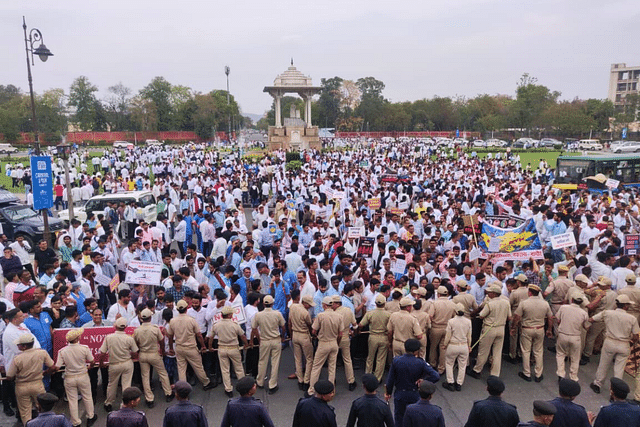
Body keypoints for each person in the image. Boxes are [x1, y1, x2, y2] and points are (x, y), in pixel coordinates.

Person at [590, 294, 640, 394]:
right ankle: (615, 391)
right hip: (624, 344)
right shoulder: (632, 318)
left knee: (603, 364)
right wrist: (632, 342)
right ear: (625, 306)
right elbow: (636, 336)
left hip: (609, 341)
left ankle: (597, 384)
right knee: (619, 369)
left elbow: (592, 319)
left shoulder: (607, 313)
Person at [385, 338, 440, 427]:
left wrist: (388, 392)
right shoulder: (420, 362)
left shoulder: (396, 361)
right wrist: (424, 381)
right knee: (415, 419)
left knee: (399, 418)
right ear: (416, 351)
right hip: (414, 393)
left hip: (400, 393)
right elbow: (436, 376)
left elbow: (390, 379)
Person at [6, 333, 56, 426]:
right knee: (42, 409)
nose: (17, 346)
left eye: (19, 344)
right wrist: (46, 372)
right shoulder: (42, 353)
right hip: (38, 384)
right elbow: (53, 367)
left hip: (22, 387)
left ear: (24, 346)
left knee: (25, 413)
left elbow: (9, 376)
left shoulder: (17, 358)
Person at [54, 328, 98, 427]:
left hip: (69, 377)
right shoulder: (84, 348)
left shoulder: (62, 351)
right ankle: (90, 416)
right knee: (87, 396)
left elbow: (57, 366)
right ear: (78, 338)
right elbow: (92, 361)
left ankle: (75, 422)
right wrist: (90, 367)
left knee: (72, 400)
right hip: (82, 375)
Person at [167, 299, 214, 390]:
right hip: (191, 347)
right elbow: (199, 335)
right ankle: (206, 382)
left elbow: (170, 336)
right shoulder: (191, 320)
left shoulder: (173, 321)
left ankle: (183, 388)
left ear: (177, 309)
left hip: (179, 347)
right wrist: (203, 346)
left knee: (181, 369)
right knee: (198, 367)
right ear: (186, 308)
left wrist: (171, 348)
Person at [511, 284, 553, 383]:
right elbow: (550, 317)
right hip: (540, 328)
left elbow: (517, 317)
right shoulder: (545, 304)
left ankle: (527, 373)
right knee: (538, 351)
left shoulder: (524, 303)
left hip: (527, 328)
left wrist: (513, 327)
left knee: (526, 351)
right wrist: (549, 329)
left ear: (529, 292)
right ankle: (538, 374)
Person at [133, 309, 175, 407]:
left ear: (141, 318)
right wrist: (163, 351)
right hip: (154, 353)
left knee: (145, 376)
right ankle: (168, 393)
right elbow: (161, 340)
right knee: (163, 373)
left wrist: (139, 351)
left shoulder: (137, 330)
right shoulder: (155, 329)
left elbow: (135, 344)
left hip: (143, 354)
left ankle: (149, 399)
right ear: (150, 318)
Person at [468, 284, 511, 378]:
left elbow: (482, 315)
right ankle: (495, 373)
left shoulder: (490, 303)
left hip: (489, 328)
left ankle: (477, 370)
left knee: (484, 351)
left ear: (494, 294)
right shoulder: (506, 302)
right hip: (501, 328)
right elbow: (509, 317)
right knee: (497, 352)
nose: (488, 293)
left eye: (490, 292)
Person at [99, 317, 139, 412]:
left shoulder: (109, 337)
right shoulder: (129, 338)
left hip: (114, 364)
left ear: (115, 326)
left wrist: (101, 363)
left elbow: (102, 353)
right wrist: (131, 356)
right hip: (127, 363)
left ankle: (108, 402)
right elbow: (135, 352)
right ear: (125, 327)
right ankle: (125, 404)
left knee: (112, 384)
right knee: (126, 384)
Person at [306, 296, 344, 397]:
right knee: (332, 368)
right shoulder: (339, 316)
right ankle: (331, 390)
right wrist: (337, 342)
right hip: (334, 343)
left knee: (316, 367)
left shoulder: (321, 316)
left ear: (324, 305)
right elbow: (340, 334)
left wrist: (316, 336)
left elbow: (313, 330)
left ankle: (312, 390)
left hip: (323, 343)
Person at [211, 305, 249, 398]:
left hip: (222, 348)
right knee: (239, 368)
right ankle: (244, 388)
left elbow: (210, 337)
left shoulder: (216, 325)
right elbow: (242, 336)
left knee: (225, 370)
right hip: (233, 348)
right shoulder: (235, 324)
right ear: (229, 315)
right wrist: (246, 344)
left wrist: (210, 347)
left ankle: (228, 389)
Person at [251, 294, 285, 394]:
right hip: (275, 340)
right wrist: (283, 337)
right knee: (275, 363)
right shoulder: (277, 314)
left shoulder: (258, 315)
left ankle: (260, 381)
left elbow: (254, 329)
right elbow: (283, 327)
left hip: (264, 340)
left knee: (262, 361)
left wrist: (258, 338)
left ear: (263, 303)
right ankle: (272, 384)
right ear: (272, 303)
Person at [357, 293, 390, 382]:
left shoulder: (370, 313)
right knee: (381, 359)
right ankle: (377, 378)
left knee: (370, 358)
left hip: (372, 337)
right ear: (384, 303)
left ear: (375, 303)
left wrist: (358, 330)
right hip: (384, 337)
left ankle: (368, 375)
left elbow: (360, 324)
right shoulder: (388, 314)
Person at [442, 302, 472, 392]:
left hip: (453, 345)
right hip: (464, 345)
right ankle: (459, 383)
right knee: (462, 365)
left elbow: (448, 335)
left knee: (449, 364)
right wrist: (469, 346)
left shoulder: (451, 321)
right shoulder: (468, 321)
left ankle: (450, 382)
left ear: (455, 311)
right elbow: (469, 336)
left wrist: (445, 344)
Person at [289, 294, 315, 390]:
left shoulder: (293, 307)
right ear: (305, 303)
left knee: (298, 358)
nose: (310, 306)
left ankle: (300, 379)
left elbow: (289, 322)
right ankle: (306, 380)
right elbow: (309, 325)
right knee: (309, 359)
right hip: (304, 335)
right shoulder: (305, 313)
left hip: (295, 334)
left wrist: (291, 335)